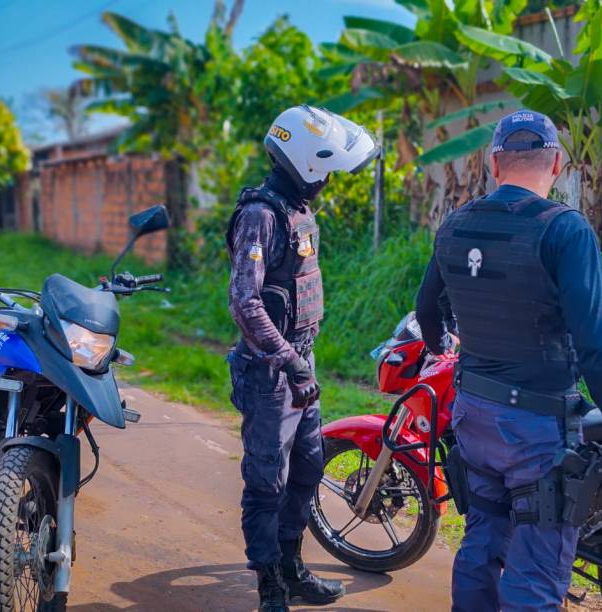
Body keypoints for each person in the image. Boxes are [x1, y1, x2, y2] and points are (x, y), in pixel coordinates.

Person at [415, 110, 602, 611]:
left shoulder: (456, 223)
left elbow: (427, 309)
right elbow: (597, 346)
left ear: (494, 164)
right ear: (558, 164)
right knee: (536, 568)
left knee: (482, 538)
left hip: (473, 417)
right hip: (536, 428)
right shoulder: (564, 230)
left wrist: (445, 347)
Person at [226, 105, 379, 612]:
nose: (329, 181)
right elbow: (244, 302)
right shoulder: (260, 216)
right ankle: (270, 583)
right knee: (266, 482)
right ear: (306, 163)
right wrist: (289, 360)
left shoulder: (297, 210)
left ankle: (291, 568)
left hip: (299, 365)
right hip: (270, 372)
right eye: (326, 170)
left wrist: (300, 362)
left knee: (308, 470)